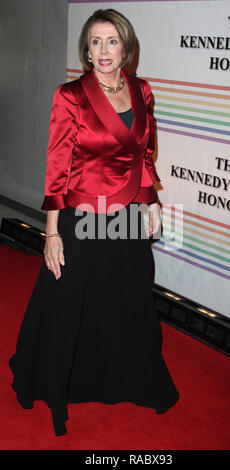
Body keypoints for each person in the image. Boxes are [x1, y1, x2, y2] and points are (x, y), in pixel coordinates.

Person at [9, 8, 179, 437]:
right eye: (95, 42)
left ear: (126, 46)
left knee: (130, 294)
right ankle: (53, 378)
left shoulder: (141, 90)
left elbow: (143, 153)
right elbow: (57, 168)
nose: (103, 50)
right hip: (80, 214)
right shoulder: (71, 95)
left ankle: (124, 376)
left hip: (125, 212)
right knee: (67, 302)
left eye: (112, 41)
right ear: (86, 48)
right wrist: (51, 233)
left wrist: (151, 201)